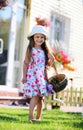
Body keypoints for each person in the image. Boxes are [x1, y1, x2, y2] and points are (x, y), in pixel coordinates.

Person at [22, 25, 54, 122]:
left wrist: (51, 59)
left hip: (42, 76)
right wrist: (24, 76)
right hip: (33, 75)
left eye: (42, 37)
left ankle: (38, 118)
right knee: (35, 96)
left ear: (44, 39)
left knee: (41, 98)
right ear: (33, 37)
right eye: (37, 37)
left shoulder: (45, 51)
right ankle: (30, 117)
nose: (39, 39)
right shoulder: (30, 49)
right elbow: (26, 63)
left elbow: (47, 65)